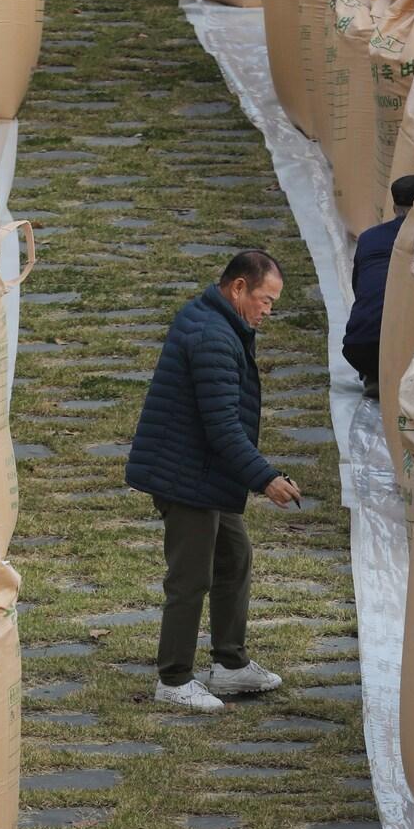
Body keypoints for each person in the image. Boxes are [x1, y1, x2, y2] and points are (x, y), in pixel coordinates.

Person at [126, 249, 302, 713]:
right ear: (238, 287)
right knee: (191, 577)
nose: (268, 311)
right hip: (187, 476)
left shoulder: (218, 320)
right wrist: (265, 478)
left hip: (201, 471)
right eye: (265, 300)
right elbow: (222, 426)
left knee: (234, 557)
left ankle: (228, 663)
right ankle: (175, 678)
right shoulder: (213, 337)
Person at [342, 174, 414, 397]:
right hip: (401, 349)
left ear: (394, 205)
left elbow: (359, 287)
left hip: (357, 346)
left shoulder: (369, 238)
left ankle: (376, 374)